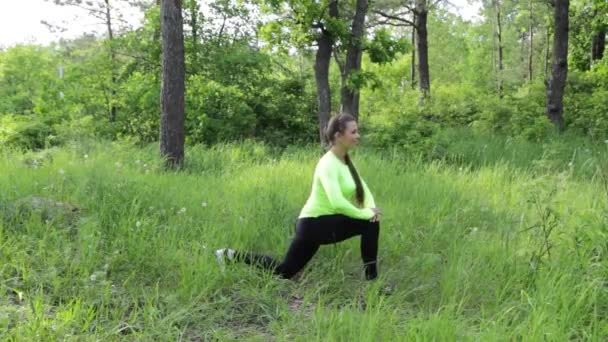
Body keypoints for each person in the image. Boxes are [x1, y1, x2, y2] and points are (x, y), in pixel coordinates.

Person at [215, 113, 382, 280]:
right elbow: (336, 202)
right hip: (314, 223)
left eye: (357, 131)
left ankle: (229, 255)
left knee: (284, 272)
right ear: (338, 136)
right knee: (369, 224)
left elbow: (364, 189)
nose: (357, 136)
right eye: (353, 132)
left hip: (320, 223)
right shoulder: (327, 164)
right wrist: (366, 214)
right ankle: (372, 281)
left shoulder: (345, 161)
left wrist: (370, 208)